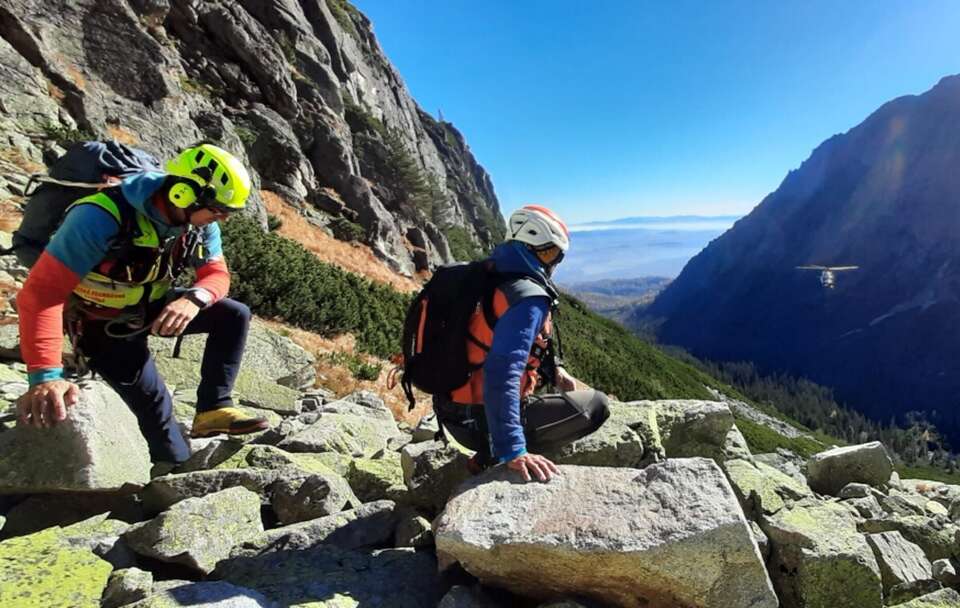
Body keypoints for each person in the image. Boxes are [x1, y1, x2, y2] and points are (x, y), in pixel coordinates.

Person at [15, 143, 268, 465]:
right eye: (218, 210)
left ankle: (212, 409)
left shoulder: (199, 225)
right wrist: (45, 377)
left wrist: (194, 299)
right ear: (182, 193)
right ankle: (170, 477)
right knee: (155, 404)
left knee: (234, 314)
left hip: (152, 307)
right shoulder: (98, 217)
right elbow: (42, 295)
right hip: (102, 324)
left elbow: (217, 275)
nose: (222, 219)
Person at [433, 205, 610, 482]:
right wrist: (513, 449)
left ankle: (489, 449)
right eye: (550, 253)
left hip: (451, 411)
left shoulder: (487, 274)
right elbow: (501, 372)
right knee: (596, 405)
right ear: (532, 250)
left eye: (556, 255)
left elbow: (490, 337)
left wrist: (555, 371)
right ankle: (493, 454)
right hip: (478, 423)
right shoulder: (527, 298)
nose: (553, 263)